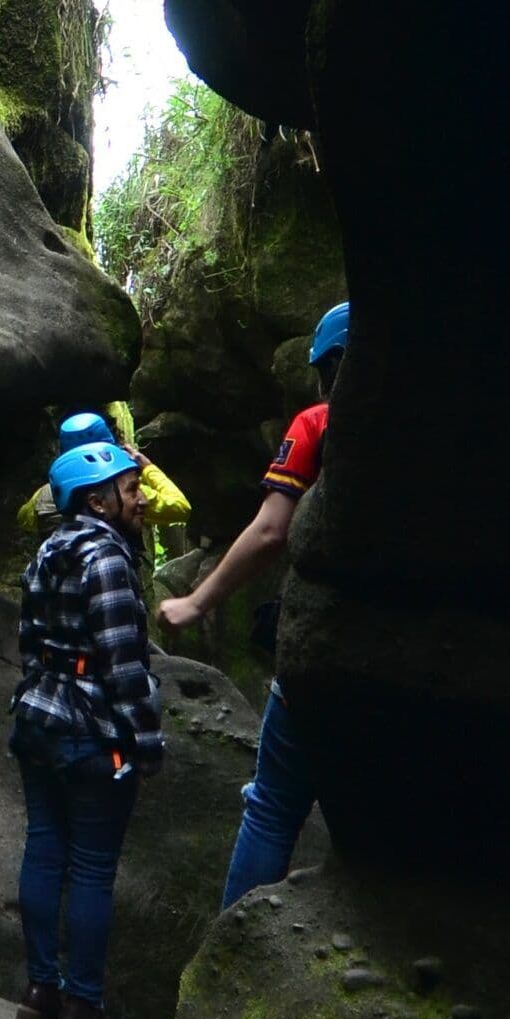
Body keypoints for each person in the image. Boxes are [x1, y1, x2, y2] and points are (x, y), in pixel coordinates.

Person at [158, 299, 348, 907]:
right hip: (418, 654)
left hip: (321, 650)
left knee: (270, 806)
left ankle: (231, 945)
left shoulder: (318, 424)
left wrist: (196, 601)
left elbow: (271, 531)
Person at [9, 438, 164, 1019]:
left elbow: (28, 642)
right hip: (89, 731)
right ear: (97, 501)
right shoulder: (107, 560)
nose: (141, 497)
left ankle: (40, 994)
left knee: (45, 852)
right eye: (131, 489)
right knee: (93, 870)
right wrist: (146, 744)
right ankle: (82, 1012)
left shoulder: (49, 547)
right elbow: (124, 665)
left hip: (38, 720)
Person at [15, 406, 190, 542]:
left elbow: (24, 519)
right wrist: (148, 467)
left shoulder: (46, 494)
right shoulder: (124, 493)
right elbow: (181, 507)